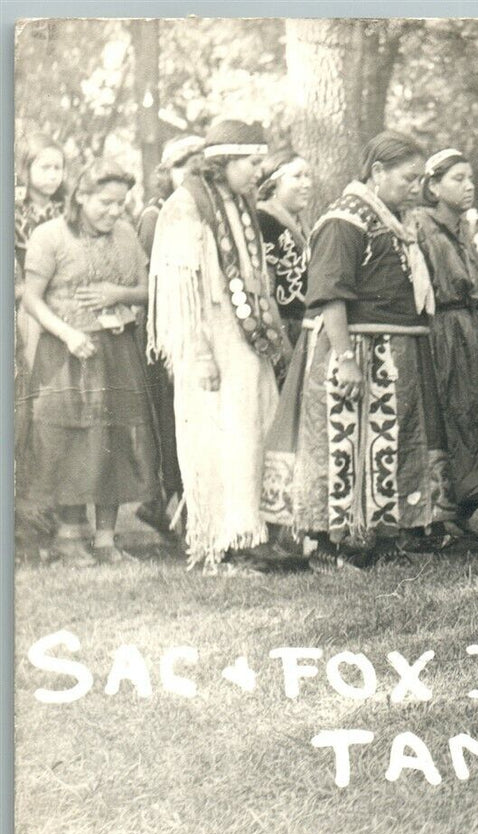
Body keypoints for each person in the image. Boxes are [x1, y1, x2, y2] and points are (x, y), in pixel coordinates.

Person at [262, 130, 457, 567]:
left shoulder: (393, 219)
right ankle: (326, 543)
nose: (416, 187)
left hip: (393, 351)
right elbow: (330, 295)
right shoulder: (344, 219)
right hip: (352, 349)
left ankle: (384, 539)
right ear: (378, 172)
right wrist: (346, 359)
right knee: (339, 444)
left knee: (389, 444)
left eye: (419, 178)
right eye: (408, 178)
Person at [149, 120, 292, 573]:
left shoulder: (241, 203)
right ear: (223, 161)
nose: (258, 171)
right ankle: (228, 540)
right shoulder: (185, 206)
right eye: (250, 162)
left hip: (245, 339)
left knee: (254, 429)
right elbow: (179, 293)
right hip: (210, 342)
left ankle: (256, 531)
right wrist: (198, 354)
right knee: (222, 437)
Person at [20, 161, 157, 565]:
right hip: (66, 351)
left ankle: (105, 539)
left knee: (114, 437)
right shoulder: (50, 235)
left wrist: (118, 293)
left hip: (116, 348)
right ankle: (68, 537)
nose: (114, 211)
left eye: (121, 204)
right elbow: (31, 299)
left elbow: (147, 289)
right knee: (71, 441)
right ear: (81, 196)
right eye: (105, 203)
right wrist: (68, 334)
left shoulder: (126, 234)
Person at [411, 147, 478, 539]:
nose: (469, 187)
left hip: (468, 329)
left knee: (474, 413)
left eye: (471, 179)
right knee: (444, 414)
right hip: (440, 329)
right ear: (433, 186)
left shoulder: (463, 228)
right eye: (458, 179)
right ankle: (434, 513)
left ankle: (463, 504)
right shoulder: (420, 224)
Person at [133, 134, 205, 548]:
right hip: (163, 333)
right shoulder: (156, 214)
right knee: (171, 421)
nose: (193, 174)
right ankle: (173, 509)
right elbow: (153, 282)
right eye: (184, 166)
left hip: (194, 328)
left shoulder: (198, 209)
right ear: (168, 172)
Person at [14, 134, 68, 557]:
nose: (53, 175)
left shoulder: (70, 210)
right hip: (26, 310)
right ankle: (24, 516)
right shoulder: (13, 212)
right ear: (26, 169)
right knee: (27, 403)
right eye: (44, 167)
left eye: (58, 167)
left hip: (65, 309)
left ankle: (58, 514)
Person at [255, 146, 313, 347]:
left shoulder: (301, 225)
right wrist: (282, 343)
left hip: (303, 327)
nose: (307, 184)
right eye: (297, 176)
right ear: (273, 186)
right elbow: (266, 291)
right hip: (283, 329)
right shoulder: (265, 221)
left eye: (308, 176)